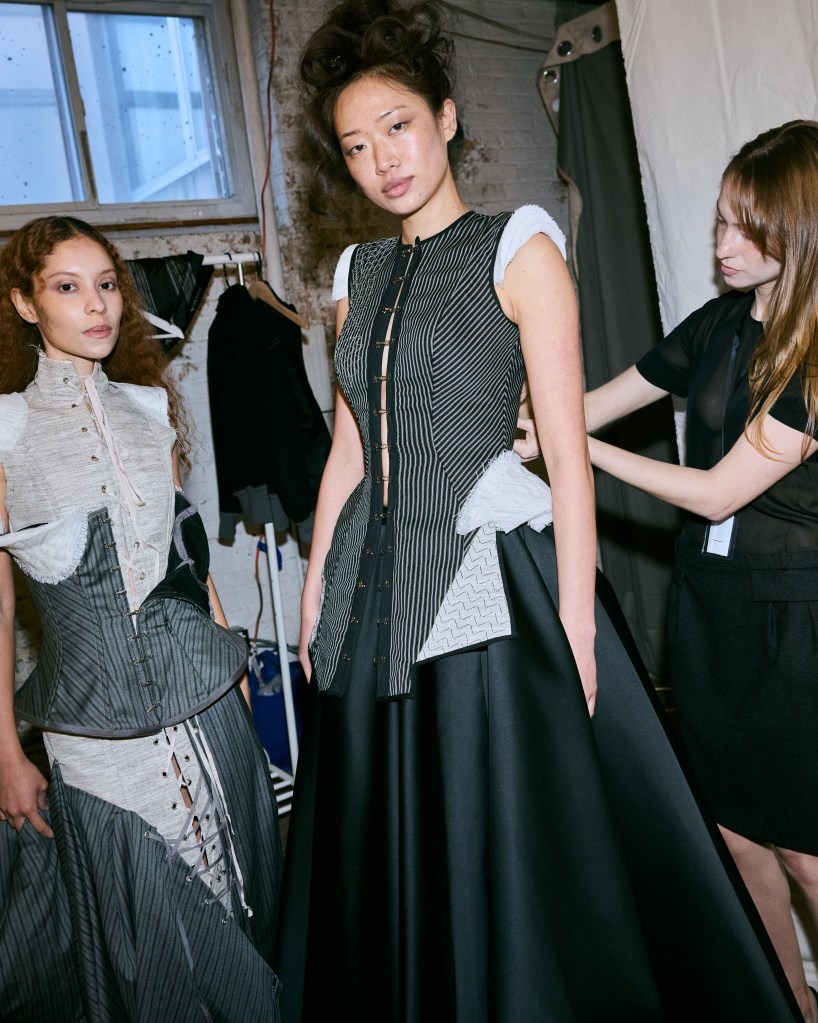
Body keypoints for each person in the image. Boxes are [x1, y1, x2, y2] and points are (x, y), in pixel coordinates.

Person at [274, 3, 803, 1020]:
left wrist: (576, 628)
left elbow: (565, 454)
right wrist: (313, 586)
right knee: (390, 837)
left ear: (445, 116)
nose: (382, 159)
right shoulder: (353, 275)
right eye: (356, 145)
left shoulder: (518, 245)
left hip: (487, 581)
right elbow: (351, 446)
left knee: (500, 835)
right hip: (368, 590)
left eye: (397, 126)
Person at [520, 119, 818, 1023]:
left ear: (801, 232)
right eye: (722, 219)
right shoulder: (718, 324)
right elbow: (591, 400)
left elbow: (718, 492)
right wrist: (518, 412)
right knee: (737, 839)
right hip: (710, 611)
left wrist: (574, 449)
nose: (724, 244)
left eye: (749, 228)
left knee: (808, 852)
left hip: (794, 625)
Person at [0, 216, 283, 1022]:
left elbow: (185, 566)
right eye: (67, 287)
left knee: (242, 904)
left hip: (209, 716)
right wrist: (5, 753)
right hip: (94, 741)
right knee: (151, 949)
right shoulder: (5, 429)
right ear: (25, 303)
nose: (96, 305)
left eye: (106, 285)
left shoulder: (150, 410)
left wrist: (235, 676)